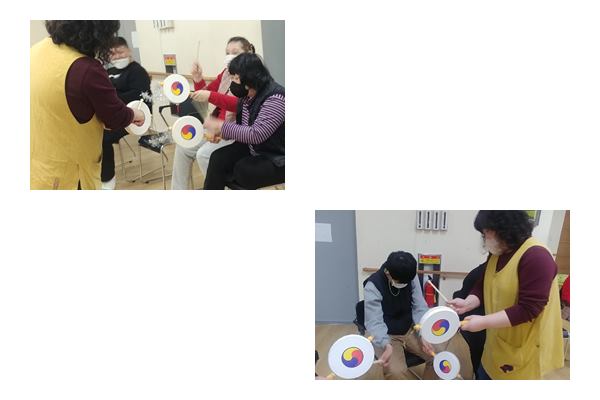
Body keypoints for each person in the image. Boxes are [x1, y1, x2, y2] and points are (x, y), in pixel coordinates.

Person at [447, 211, 564, 379]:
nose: (484, 237)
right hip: (495, 345)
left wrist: (483, 322)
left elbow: (529, 309)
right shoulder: (498, 252)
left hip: (522, 351)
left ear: (504, 228)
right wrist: (469, 303)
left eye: (486, 232)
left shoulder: (537, 257)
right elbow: (484, 282)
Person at [30, 21, 145, 189]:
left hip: (36, 166)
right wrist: (135, 114)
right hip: (69, 176)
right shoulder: (85, 69)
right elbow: (114, 117)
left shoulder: (35, 52)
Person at [364, 251, 473, 380]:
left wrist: (423, 333)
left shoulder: (410, 276)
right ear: (388, 273)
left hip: (410, 328)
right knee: (396, 372)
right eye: (401, 282)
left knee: (438, 357)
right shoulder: (373, 286)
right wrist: (385, 344)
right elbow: (374, 321)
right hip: (387, 334)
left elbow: (419, 307)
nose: (404, 285)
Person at [170, 36, 255, 189]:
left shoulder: (251, 76)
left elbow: (239, 105)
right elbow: (206, 94)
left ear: (248, 54)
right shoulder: (226, 73)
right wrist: (198, 79)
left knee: (203, 154)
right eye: (227, 53)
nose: (230, 56)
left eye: (235, 52)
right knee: (183, 146)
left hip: (234, 132)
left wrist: (210, 96)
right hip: (215, 127)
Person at [202, 53, 285, 189]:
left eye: (236, 78)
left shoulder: (276, 98)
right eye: (232, 77)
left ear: (250, 77)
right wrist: (221, 133)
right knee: (218, 159)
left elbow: (256, 134)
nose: (233, 82)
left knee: (243, 170)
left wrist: (221, 126)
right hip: (255, 148)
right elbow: (244, 127)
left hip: (277, 156)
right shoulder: (247, 96)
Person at [101, 37, 151, 189]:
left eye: (120, 52)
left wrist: (111, 97)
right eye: (113, 54)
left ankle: (107, 181)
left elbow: (137, 96)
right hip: (114, 114)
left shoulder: (137, 71)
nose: (117, 56)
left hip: (136, 118)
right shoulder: (108, 72)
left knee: (104, 138)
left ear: (128, 51)